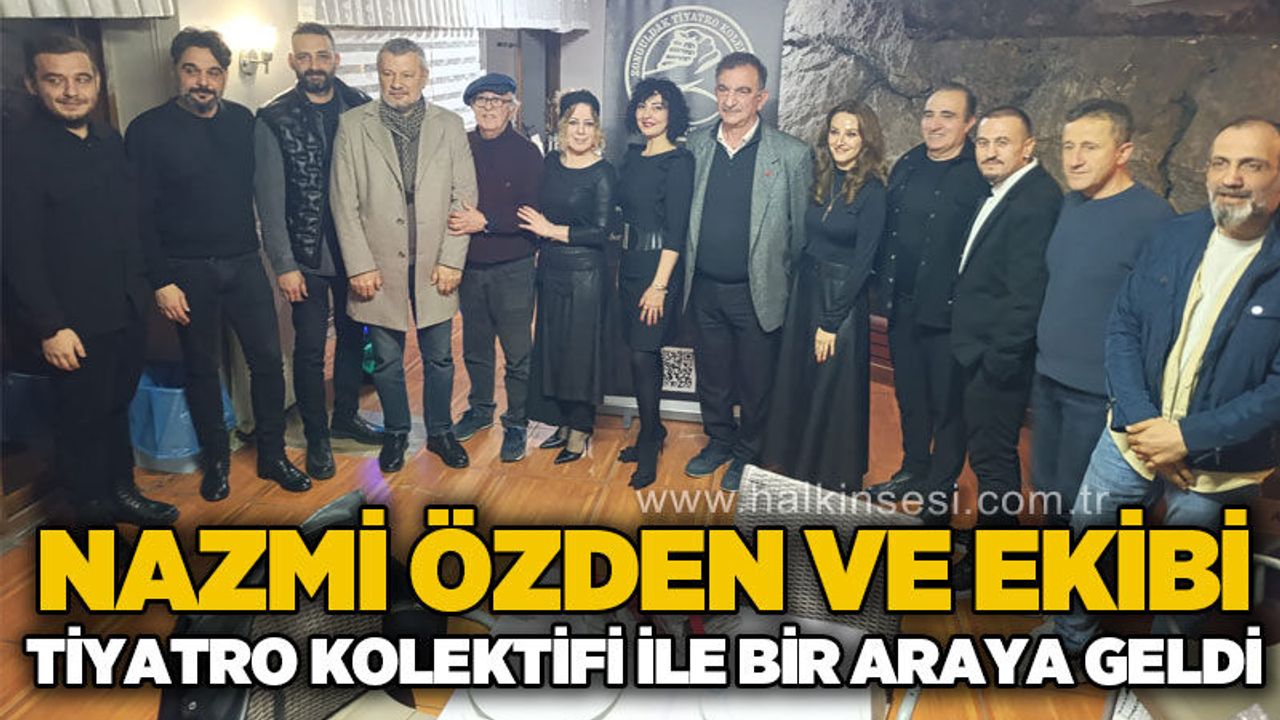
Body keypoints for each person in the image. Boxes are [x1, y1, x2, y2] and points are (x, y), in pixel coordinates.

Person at [1053, 116, 1280, 654]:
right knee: (1087, 537)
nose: (1231, 177)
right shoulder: (1174, 235)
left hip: (1220, 464)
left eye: (1251, 165)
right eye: (1220, 163)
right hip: (1131, 438)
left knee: (1187, 576)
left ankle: (1163, 666)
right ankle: (1070, 638)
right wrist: (1141, 422)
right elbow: (1123, 326)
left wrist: (1187, 438)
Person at [126, 28, 310, 502]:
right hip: (185, 271)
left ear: (225, 75)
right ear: (176, 71)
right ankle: (217, 463)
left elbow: (267, 193)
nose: (203, 82)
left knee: (267, 362)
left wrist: (281, 258)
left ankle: (273, 455)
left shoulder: (243, 122)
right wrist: (161, 281)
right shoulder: (147, 130)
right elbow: (137, 216)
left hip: (244, 263)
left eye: (212, 72)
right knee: (202, 369)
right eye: (192, 70)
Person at [2, 34, 179, 526]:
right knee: (80, 421)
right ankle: (92, 520)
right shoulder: (19, 153)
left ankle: (122, 492)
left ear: (97, 82)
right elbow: (17, 251)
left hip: (125, 306)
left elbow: (135, 222)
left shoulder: (107, 139)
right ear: (32, 84)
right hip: (71, 322)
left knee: (117, 406)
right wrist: (49, 326)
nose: (71, 91)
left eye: (81, 79)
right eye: (55, 80)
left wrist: (158, 281)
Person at [330, 38, 478, 473]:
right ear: (378, 75)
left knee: (439, 357)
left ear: (424, 76)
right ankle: (396, 432)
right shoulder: (353, 125)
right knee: (388, 360)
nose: (397, 83)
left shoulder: (450, 125)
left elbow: (464, 196)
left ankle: (440, 431)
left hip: (436, 262)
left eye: (407, 74)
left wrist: (452, 259)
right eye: (388, 74)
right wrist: (359, 264)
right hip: (377, 265)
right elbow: (344, 202)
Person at [1031, 100, 1173, 527]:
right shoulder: (1068, 206)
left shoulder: (1154, 219)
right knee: (1048, 494)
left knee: (1089, 510)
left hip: (1100, 396)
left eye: (1089, 147)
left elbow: (1162, 321)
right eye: (1068, 146)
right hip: (1047, 378)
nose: (1074, 159)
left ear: (1123, 152)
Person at [255, 22, 383, 481]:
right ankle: (317, 438)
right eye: (304, 56)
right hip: (305, 257)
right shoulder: (274, 117)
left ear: (336, 60)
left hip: (355, 253)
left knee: (352, 338)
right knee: (310, 350)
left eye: (322, 55)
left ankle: (345, 416)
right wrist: (284, 265)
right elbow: (269, 202)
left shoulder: (360, 107)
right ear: (292, 61)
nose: (314, 65)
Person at [682, 52, 813, 492]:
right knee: (713, 378)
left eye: (742, 91)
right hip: (704, 289)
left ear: (762, 97)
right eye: (723, 89)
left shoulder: (791, 155)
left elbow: (800, 236)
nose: (731, 100)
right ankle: (719, 441)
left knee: (757, 383)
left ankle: (748, 453)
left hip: (757, 291)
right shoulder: (696, 146)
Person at [870, 83, 989, 506]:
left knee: (948, 406)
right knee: (911, 397)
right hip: (902, 307)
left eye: (947, 116)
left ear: (969, 123)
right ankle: (912, 470)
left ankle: (940, 488)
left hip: (950, 316)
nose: (934, 124)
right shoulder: (908, 163)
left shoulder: (979, 174)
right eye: (929, 114)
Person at [762, 100, 887, 492]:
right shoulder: (822, 180)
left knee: (831, 389)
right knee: (802, 380)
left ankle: (830, 478)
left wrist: (831, 323)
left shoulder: (873, 192)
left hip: (840, 302)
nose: (841, 141)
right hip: (806, 292)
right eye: (835, 132)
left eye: (851, 133)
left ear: (866, 140)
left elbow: (863, 264)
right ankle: (798, 466)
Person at [950, 106, 1062, 534]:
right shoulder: (1008, 190)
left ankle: (997, 551)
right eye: (983, 142)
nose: (990, 151)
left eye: (1002, 142)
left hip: (998, 359)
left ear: (1028, 147)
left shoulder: (1035, 201)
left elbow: (1027, 295)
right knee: (986, 454)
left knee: (992, 457)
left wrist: (996, 362)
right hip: (982, 350)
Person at [446, 72, 542, 463]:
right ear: (471, 106)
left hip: (514, 267)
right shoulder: (461, 146)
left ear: (511, 108)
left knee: (518, 353)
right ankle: (480, 410)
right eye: (481, 100)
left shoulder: (527, 153)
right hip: (470, 267)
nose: (488, 108)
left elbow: (532, 213)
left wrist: (485, 221)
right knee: (475, 347)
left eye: (498, 101)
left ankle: (516, 422)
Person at [519, 90, 617, 464]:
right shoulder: (550, 163)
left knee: (580, 354)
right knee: (554, 349)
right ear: (562, 126)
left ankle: (580, 428)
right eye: (573, 122)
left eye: (588, 123)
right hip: (551, 270)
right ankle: (562, 423)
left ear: (597, 129)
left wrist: (550, 230)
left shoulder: (603, 172)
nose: (580, 130)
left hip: (586, 275)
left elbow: (602, 231)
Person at [615, 77, 695, 488]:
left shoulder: (678, 162)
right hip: (629, 266)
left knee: (642, 356)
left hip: (657, 269)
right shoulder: (632, 156)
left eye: (659, 106)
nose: (649, 114)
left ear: (672, 114)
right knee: (639, 355)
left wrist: (659, 286)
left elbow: (676, 231)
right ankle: (655, 427)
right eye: (643, 105)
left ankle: (649, 441)